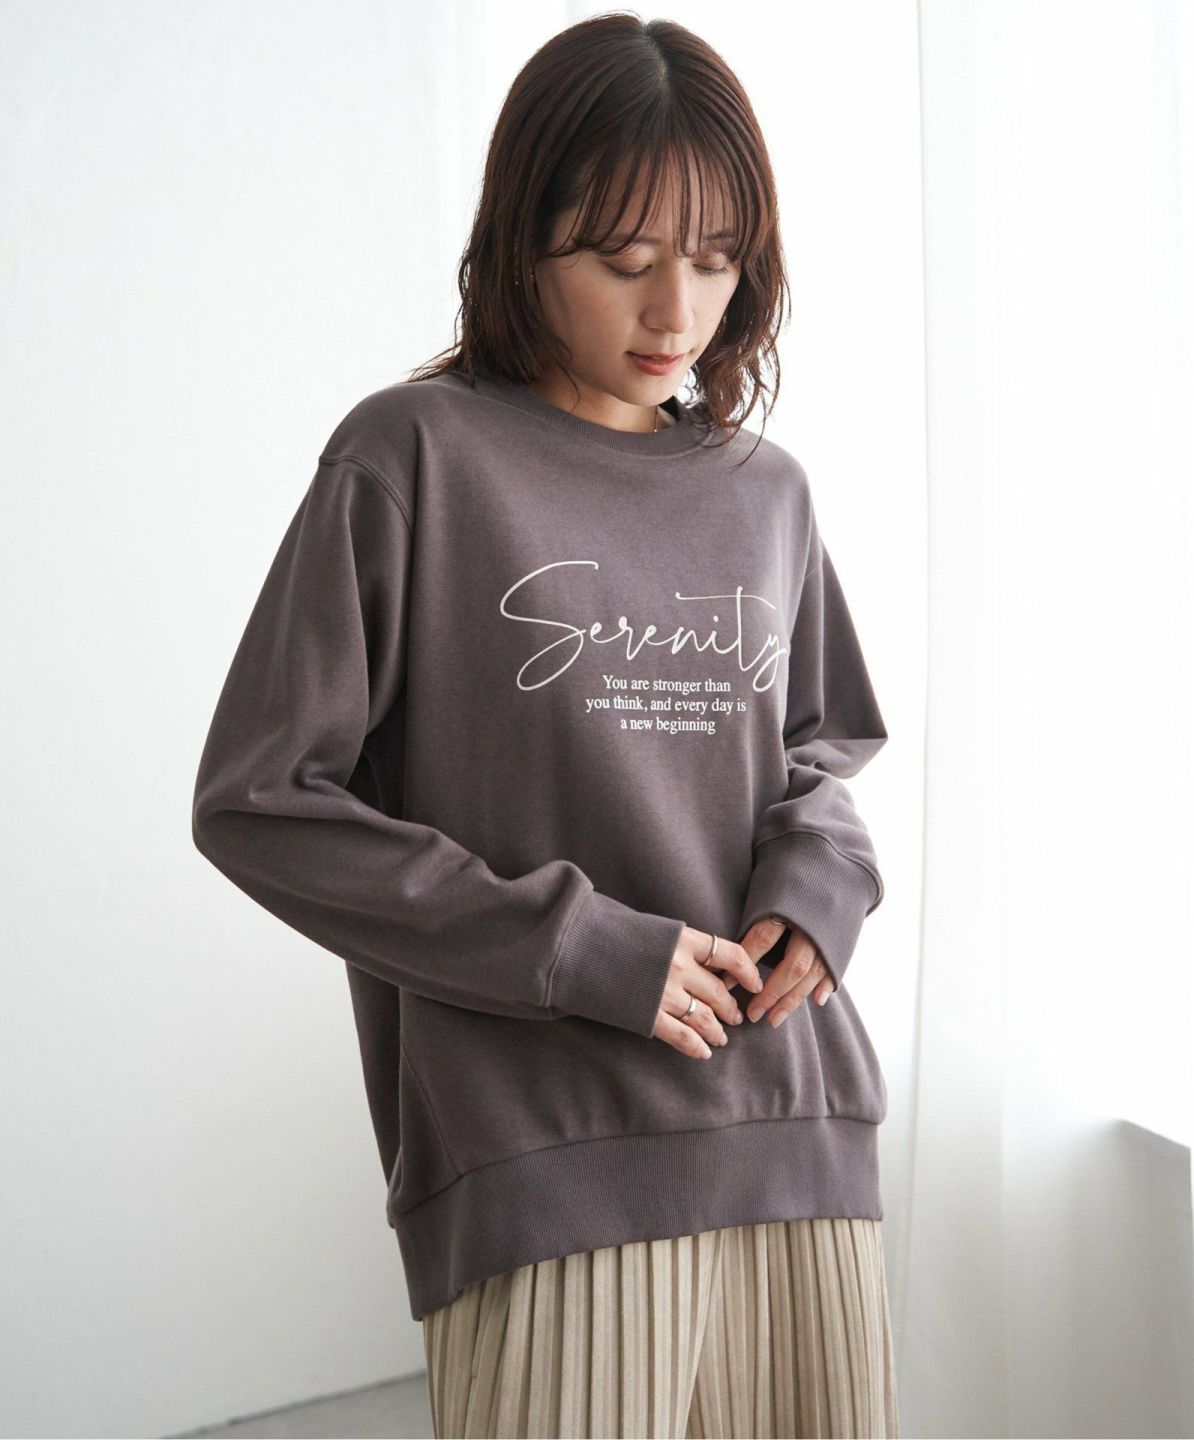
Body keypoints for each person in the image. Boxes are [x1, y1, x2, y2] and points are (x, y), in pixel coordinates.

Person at [191, 13, 898, 1439]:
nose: (675, 313)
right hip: (544, 1148)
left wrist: (821, 889)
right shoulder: (414, 457)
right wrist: (576, 949)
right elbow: (261, 801)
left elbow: (823, 745)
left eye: (716, 260)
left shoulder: (767, 490)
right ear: (524, 239)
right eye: (624, 261)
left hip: (794, 1120)